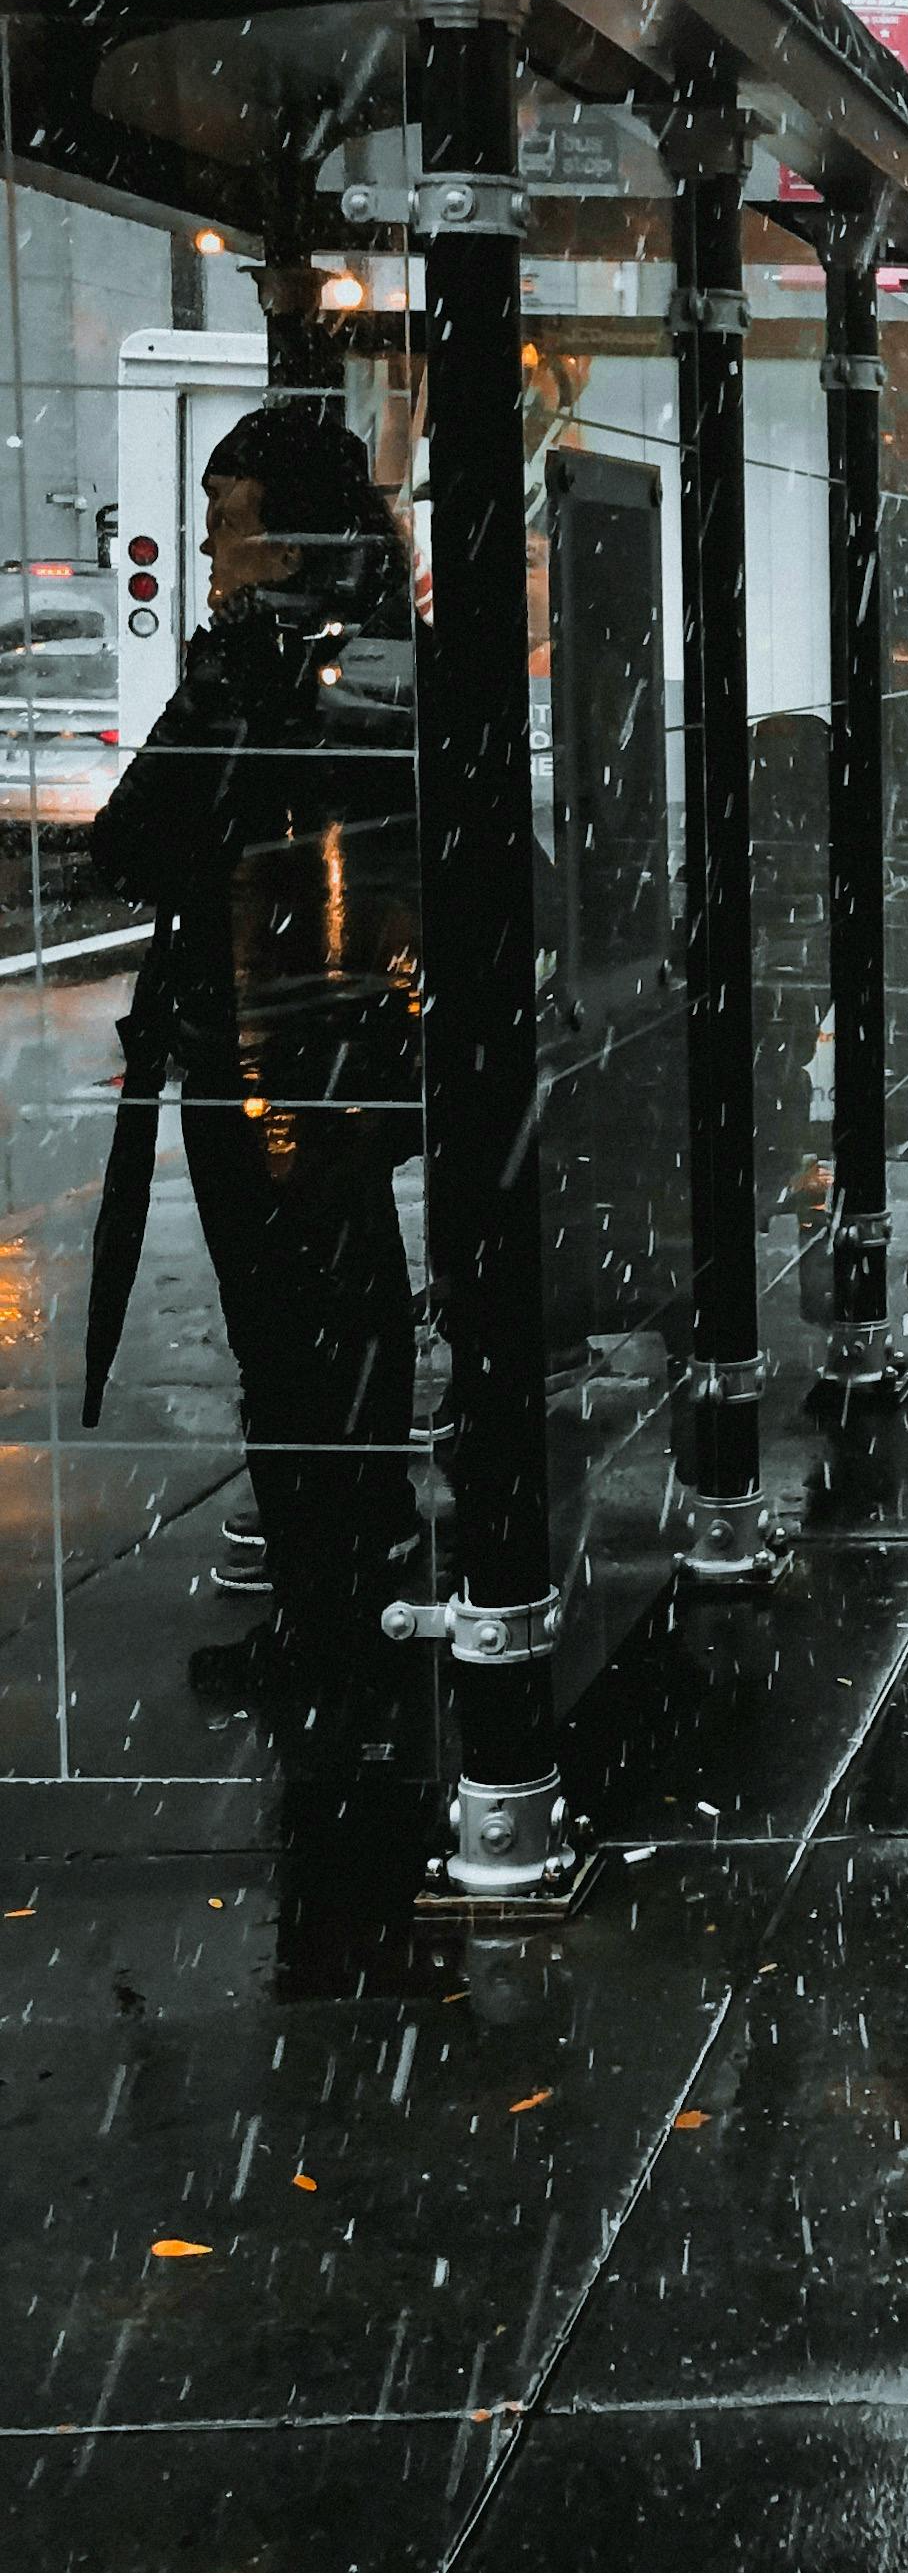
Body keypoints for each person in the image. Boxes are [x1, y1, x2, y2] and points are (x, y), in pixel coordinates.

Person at [90, 401, 423, 1729]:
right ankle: (360, 1566)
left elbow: (137, 836)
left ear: (283, 542)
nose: (214, 550)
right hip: (341, 1035)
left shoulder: (259, 663)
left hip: (258, 1036)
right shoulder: (382, 645)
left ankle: (327, 1615)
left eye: (228, 522)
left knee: (285, 1328)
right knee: (350, 1301)